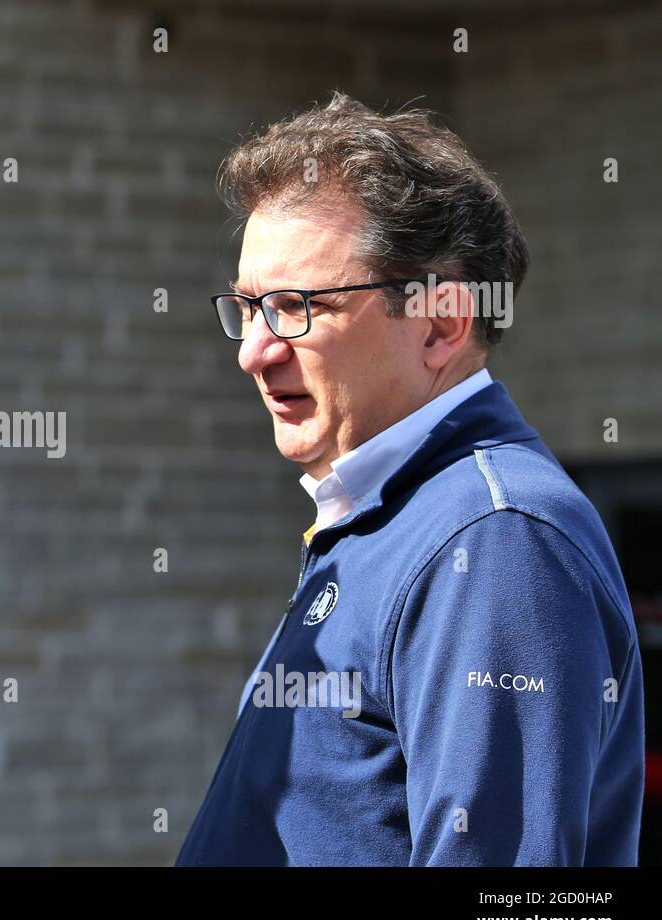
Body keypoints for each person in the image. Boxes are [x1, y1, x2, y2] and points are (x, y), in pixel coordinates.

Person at [178, 93, 644, 865]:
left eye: (295, 307)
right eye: (248, 308)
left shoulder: (494, 540)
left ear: (441, 324)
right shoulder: (397, 516)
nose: (253, 352)